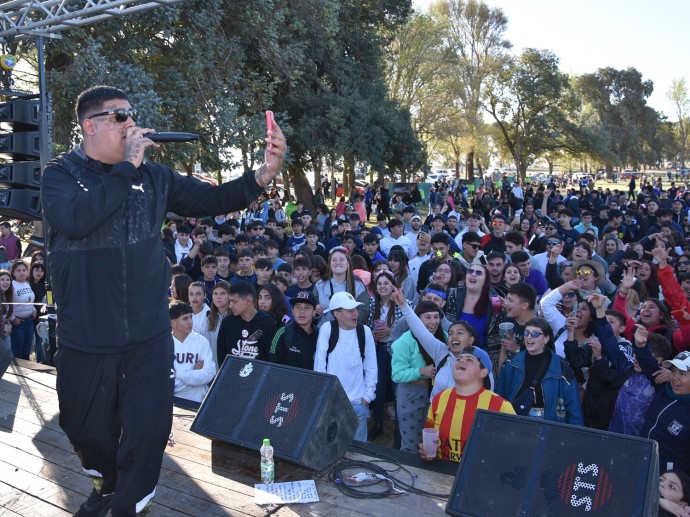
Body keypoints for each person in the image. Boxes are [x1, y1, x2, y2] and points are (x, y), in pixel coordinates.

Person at [40, 85, 285, 516]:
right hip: (86, 339)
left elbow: (213, 200)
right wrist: (127, 167)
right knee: (84, 430)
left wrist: (263, 174)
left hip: (147, 338)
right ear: (90, 125)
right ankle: (106, 483)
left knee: (149, 432)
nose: (130, 123)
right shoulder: (60, 175)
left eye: (131, 115)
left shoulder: (154, 178)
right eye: (120, 117)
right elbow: (77, 220)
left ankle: (131, 506)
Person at [419, 345, 515, 462]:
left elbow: (514, 449)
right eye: (458, 359)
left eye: (469, 359)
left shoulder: (500, 406)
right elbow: (429, 436)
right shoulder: (439, 399)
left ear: (483, 372)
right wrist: (426, 452)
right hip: (441, 474)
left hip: (478, 476)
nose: (462, 360)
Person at [314, 292, 377, 441]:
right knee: (331, 446)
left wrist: (367, 398)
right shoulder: (327, 329)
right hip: (332, 403)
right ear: (337, 314)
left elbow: (371, 367)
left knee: (359, 450)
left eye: (355, 309)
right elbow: (319, 367)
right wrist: (326, 397)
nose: (356, 313)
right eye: (350, 310)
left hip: (358, 404)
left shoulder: (365, 332)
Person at [496, 317, 584, 425]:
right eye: (526, 333)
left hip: (548, 426)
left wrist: (573, 436)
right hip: (514, 421)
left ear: (546, 339)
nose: (529, 337)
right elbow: (498, 398)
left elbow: (573, 408)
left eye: (535, 334)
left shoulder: (561, 367)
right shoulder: (510, 363)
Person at [169, 301, 217, 403]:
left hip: (198, 402)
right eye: (185, 318)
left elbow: (209, 373)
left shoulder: (201, 341)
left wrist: (179, 374)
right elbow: (163, 380)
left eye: (191, 317)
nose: (190, 321)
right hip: (172, 402)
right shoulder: (165, 344)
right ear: (173, 323)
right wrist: (193, 375)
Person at [268, 291, 318, 369]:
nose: (302, 311)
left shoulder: (320, 335)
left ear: (314, 312)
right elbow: (271, 365)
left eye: (307, 307)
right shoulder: (282, 333)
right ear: (292, 310)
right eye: (298, 307)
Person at [9, 260, 36, 360]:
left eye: (24, 270)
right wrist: (12, 319)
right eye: (18, 270)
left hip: (29, 322)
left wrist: (33, 309)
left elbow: (30, 300)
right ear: (13, 273)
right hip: (18, 324)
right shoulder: (11, 285)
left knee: (26, 352)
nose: (22, 272)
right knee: (17, 354)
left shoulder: (27, 283)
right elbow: (7, 306)